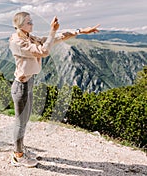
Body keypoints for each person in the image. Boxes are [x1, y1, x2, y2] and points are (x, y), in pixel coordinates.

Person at [9, 11, 100, 167]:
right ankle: (18, 156)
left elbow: (52, 40)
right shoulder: (18, 42)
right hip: (21, 86)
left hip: (28, 83)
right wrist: (52, 30)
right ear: (20, 25)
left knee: (24, 120)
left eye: (31, 21)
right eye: (29, 22)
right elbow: (44, 51)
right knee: (20, 122)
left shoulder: (29, 37)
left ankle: (21, 149)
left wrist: (79, 31)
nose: (32, 24)